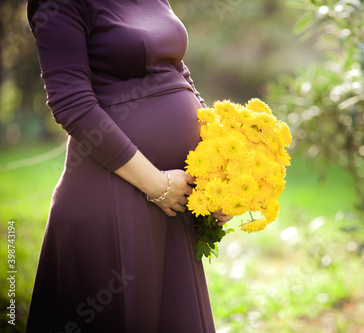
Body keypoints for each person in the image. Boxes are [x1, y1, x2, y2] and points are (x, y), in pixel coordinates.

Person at [26, 1, 232, 332]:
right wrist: (157, 186)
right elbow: (72, 104)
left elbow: (178, 71)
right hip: (115, 192)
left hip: (175, 195)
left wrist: (218, 170)